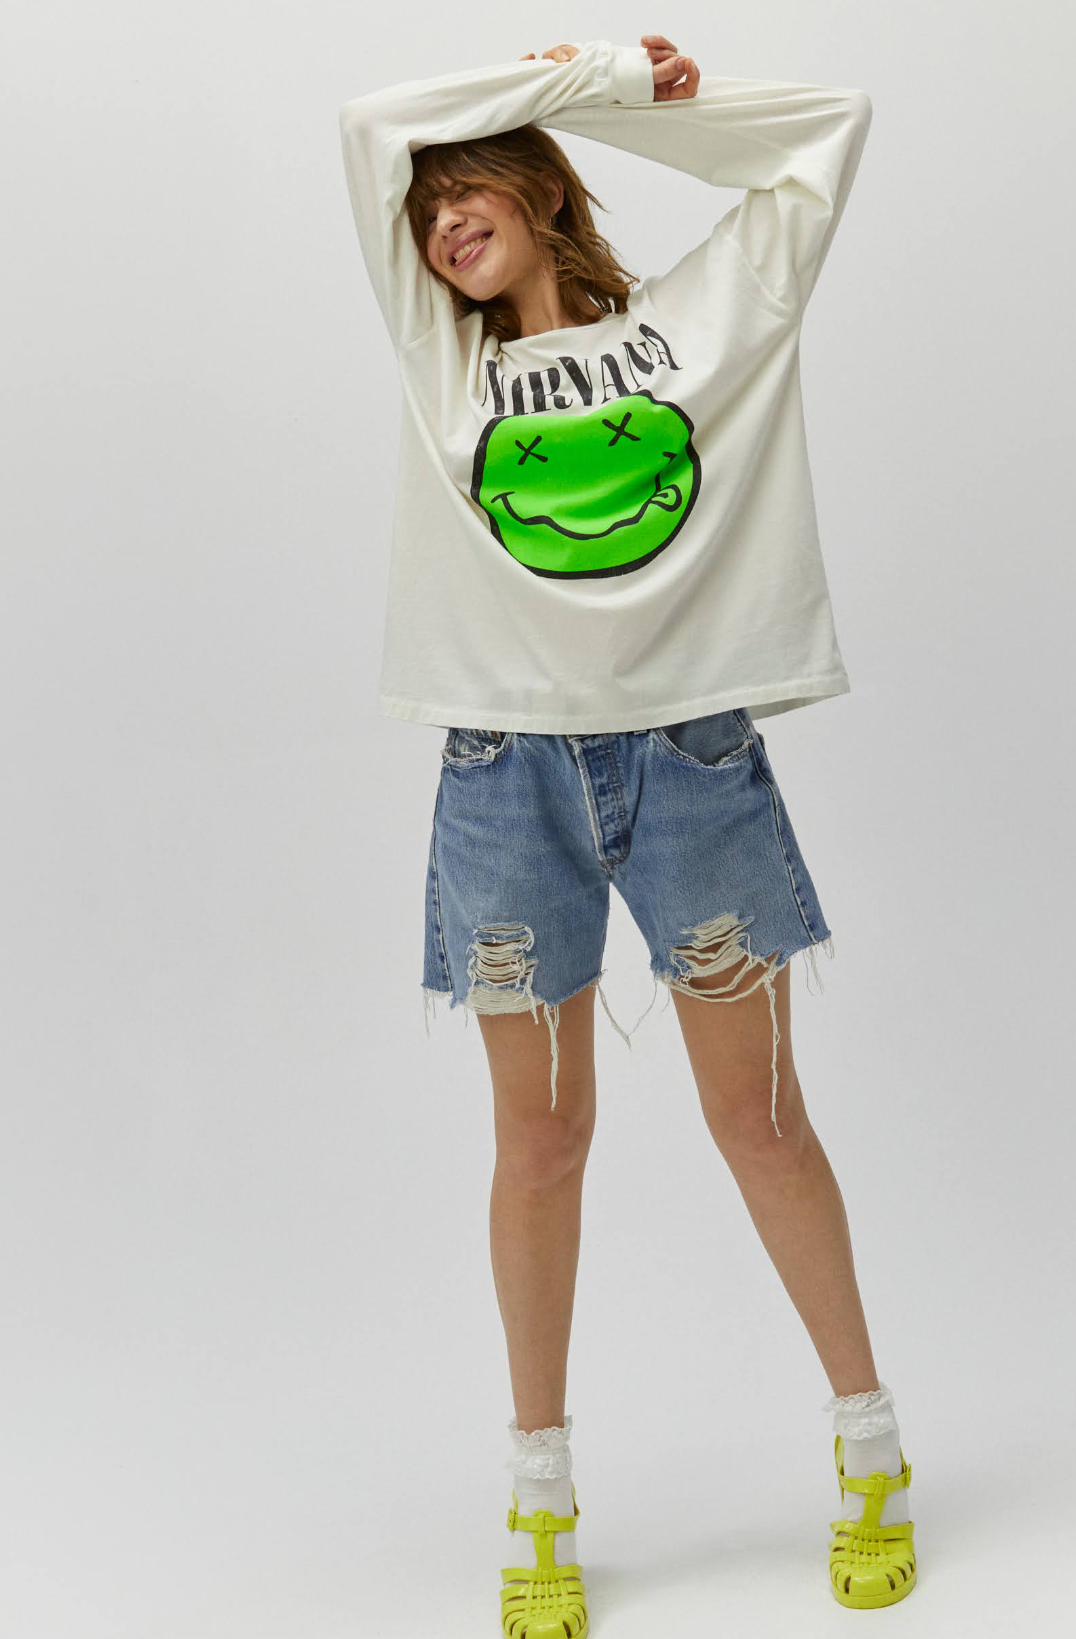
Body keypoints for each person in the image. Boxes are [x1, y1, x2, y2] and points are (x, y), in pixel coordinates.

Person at [338, 33, 916, 1630]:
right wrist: (565, 63)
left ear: (537, 189)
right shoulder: (441, 361)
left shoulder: (705, 320)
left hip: (692, 761)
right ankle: (540, 1490)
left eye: (470, 191)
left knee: (762, 1120)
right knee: (541, 1141)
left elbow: (829, 130)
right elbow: (368, 122)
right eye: (427, 212)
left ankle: (870, 1444)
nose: (442, 222)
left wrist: (610, 97)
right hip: (503, 773)